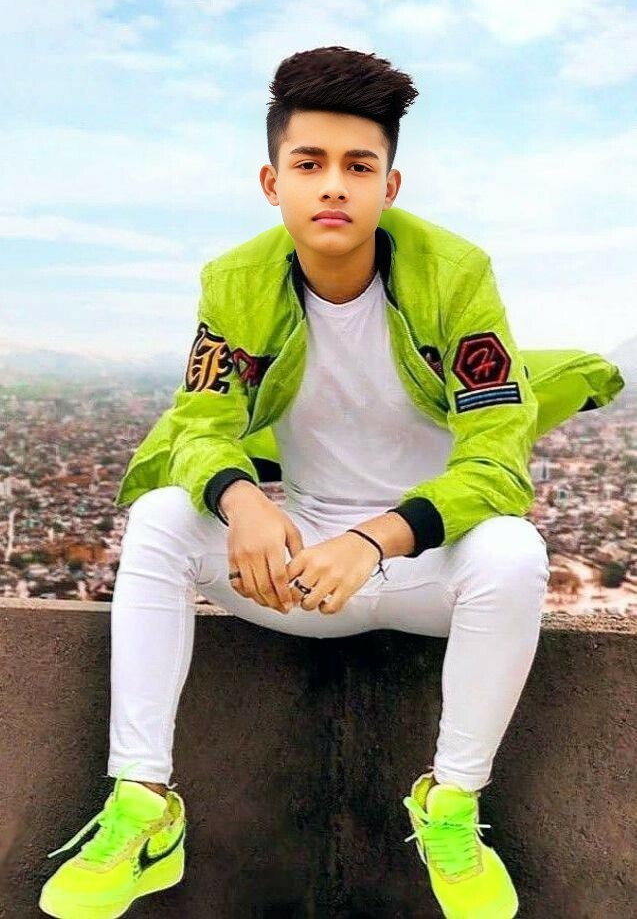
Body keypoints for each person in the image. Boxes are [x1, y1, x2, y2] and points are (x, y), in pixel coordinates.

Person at [39, 46, 625, 919]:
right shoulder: (235, 282)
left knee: (512, 550)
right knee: (161, 518)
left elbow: (497, 461)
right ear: (271, 182)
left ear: (390, 185)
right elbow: (199, 425)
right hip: (295, 570)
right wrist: (243, 502)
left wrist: (374, 540)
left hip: (424, 567)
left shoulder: (456, 275)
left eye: (358, 166)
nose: (333, 187)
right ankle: (142, 809)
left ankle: (450, 808)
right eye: (309, 164)